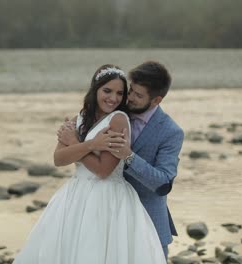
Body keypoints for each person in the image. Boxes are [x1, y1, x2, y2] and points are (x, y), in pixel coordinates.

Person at [13, 64, 166, 264]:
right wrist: (92, 144)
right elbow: (59, 159)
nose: (113, 98)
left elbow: (103, 170)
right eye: (107, 91)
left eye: (120, 93)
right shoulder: (79, 118)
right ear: (95, 89)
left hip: (108, 198)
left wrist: (76, 144)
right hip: (75, 196)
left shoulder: (118, 120)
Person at [59, 61, 184, 258]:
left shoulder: (170, 132)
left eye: (138, 95)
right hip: (102, 216)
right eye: (131, 90)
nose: (129, 98)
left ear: (156, 100)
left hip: (147, 222)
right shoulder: (113, 109)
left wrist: (129, 156)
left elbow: (163, 183)